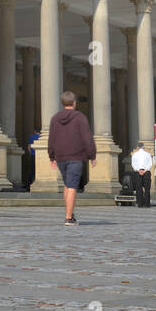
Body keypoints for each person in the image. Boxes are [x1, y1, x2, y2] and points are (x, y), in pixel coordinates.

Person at [48, 90, 95, 226]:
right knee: (73, 185)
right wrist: (92, 155)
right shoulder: (80, 117)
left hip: (61, 156)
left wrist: (52, 156)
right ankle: (69, 217)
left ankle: (69, 212)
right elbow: (87, 138)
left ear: (62, 103)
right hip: (76, 156)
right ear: (74, 103)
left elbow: (51, 139)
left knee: (68, 185)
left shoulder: (55, 118)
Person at [130, 142, 153, 207]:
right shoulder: (148, 154)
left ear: (137, 147)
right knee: (147, 188)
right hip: (146, 172)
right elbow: (150, 163)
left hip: (138, 172)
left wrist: (138, 170)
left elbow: (133, 164)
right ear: (143, 147)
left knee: (138, 188)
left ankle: (140, 203)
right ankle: (147, 203)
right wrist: (145, 170)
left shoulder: (134, 154)